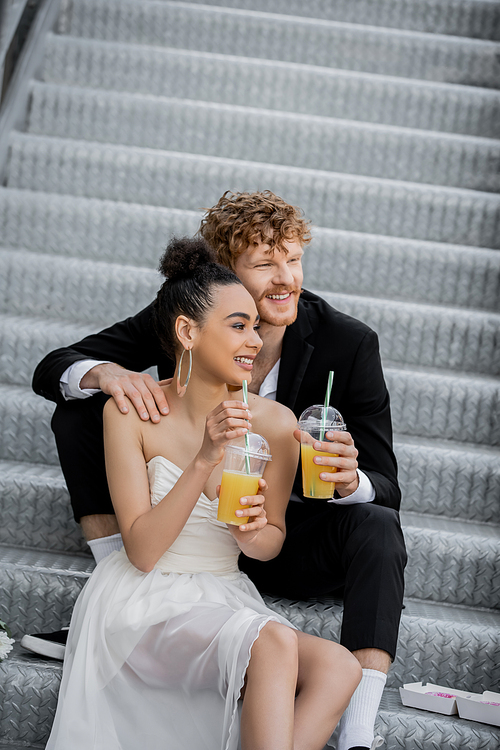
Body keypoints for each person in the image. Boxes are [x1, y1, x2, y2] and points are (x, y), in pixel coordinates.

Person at [28, 191, 406, 750]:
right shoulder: (187, 314)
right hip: (154, 560)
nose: (286, 279)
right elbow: (56, 366)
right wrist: (108, 374)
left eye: (294, 259)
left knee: (375, 533)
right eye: (264, 264)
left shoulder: (342, 347)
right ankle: (103, 602)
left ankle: (358, 735)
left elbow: (384, 483)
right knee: (79, 412)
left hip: (265, 544)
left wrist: (348, 481)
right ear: (222, 274)